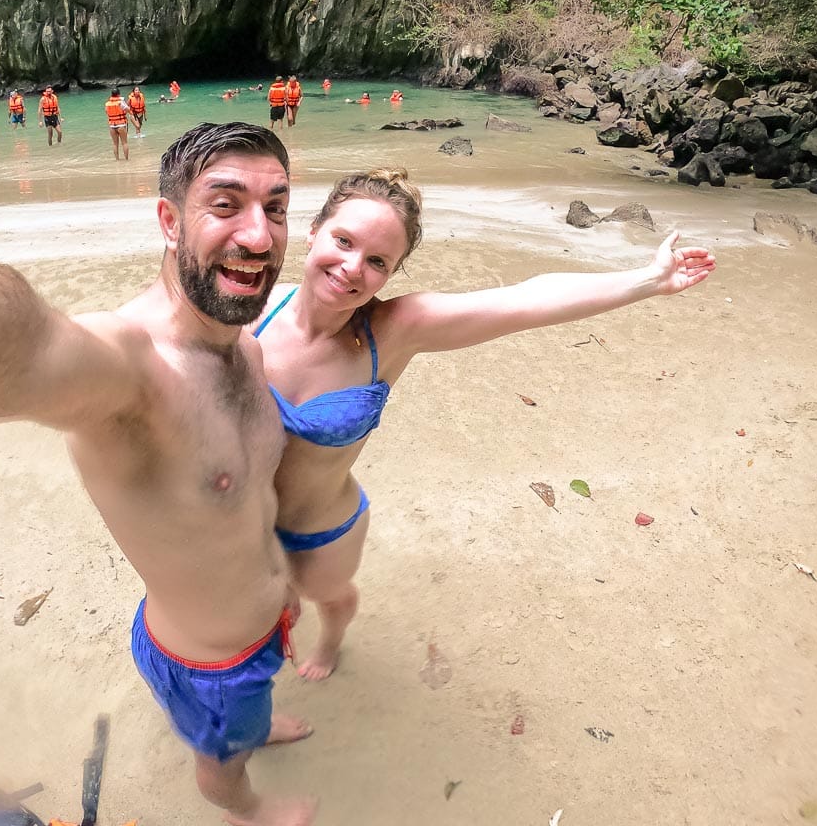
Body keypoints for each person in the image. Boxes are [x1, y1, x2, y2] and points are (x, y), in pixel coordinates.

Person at [0, 123, 315, 826]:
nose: (260, 237)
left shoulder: (244, 345)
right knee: (224, 768)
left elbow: (246, 503)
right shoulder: (134, 368)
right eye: (225, 206)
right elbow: (23, 346)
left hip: (224, 635)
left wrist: (282, 589)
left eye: (276, 208)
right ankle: (248, 806)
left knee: (240, 724)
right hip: (216, 670)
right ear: (169, 221)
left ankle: (242, 728)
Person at [253, 168, 716, 680]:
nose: (352, 268)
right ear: (314, 229)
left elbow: (525, 300)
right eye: (343, 240)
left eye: (378, 261)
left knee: (329, 597)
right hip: (245, 525)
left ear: (391, 274)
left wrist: (648, 280)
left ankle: (333, 642)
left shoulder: (395, 330)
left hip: (323, 530)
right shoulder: (254, 307)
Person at [105, 87, 136, 160]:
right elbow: (128, 110)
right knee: (124, 143)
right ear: (118, 94)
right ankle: (126, 159)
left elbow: (106, 112)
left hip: (112, 126)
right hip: (121, 125)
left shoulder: (108, 103)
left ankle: (117, 160)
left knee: (115, 144)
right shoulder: (120, 102)